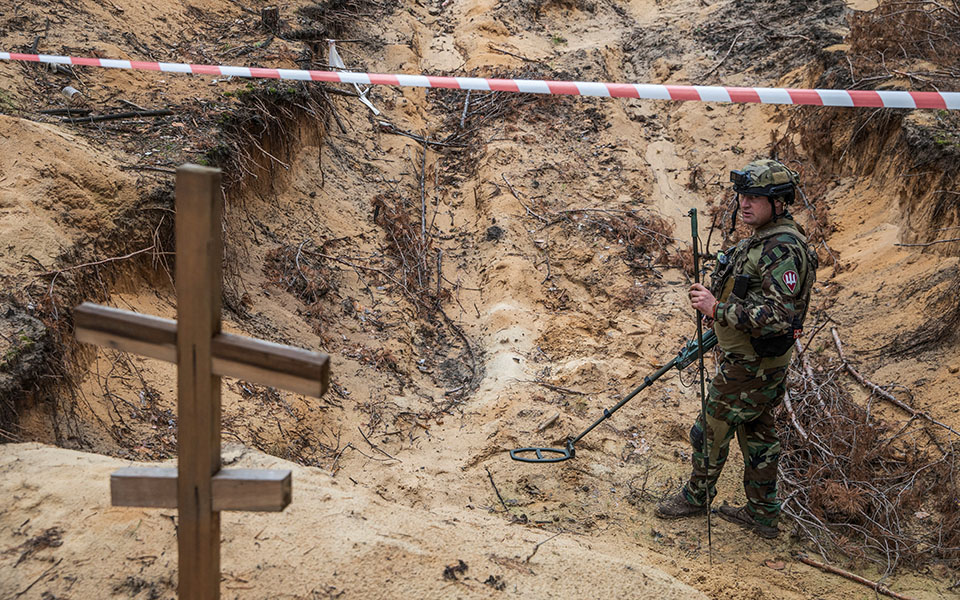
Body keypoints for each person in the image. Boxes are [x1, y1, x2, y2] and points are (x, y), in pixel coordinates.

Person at [655, 159, 818, 539]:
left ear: (779, 202)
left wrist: (718, 309)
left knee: (708, 431)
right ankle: (763, 514)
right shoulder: (765, 238)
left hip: (754, 362)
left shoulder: (782, 248)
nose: (745, 204)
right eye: (743, 196)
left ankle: (696, 497)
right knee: (757, 433)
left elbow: (780, 314)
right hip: (757, 358)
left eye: (756, 198)